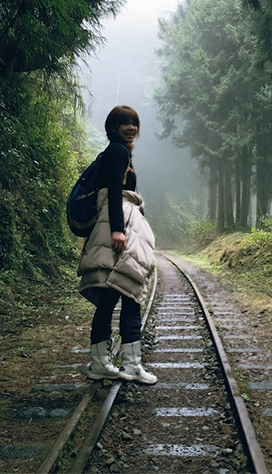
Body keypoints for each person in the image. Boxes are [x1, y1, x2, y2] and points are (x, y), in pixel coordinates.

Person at [77, 105, 157, 385]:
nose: (131, 127)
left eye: (134, 122)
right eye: (124, 123)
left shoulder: (115, 152)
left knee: (112, 296)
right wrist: (118, 231)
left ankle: (101, 363)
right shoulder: (118, 152)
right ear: (113, 127)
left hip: (117, 224)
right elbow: (113, 192)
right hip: (118, 226)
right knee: (130, 292)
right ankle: (130, 365)